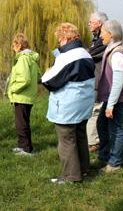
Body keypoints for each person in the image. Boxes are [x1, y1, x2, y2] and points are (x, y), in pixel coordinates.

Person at [41, 23, 95, 184]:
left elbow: (49, 81)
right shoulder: (85, 54)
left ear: (65, 38)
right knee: (80, 137)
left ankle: (71, 176)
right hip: (84, 103)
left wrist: (48, 71)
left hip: (68, 106)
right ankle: (84, 170)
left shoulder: (67, 57)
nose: (59, 43)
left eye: (59, 39)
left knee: (66, 140)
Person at [97, 20, 123, 173]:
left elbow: (117, 83)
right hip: (112, 98)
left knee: (115, 129)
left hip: (117, 98)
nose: (100, 36)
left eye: (102, 32)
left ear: (110, 34)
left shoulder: (118, 54)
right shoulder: (112, 49)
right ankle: (105, 156)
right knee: (101, 124)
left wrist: (110, 105)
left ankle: (114, 163)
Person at [6, 33, 39, 156]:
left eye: (14, 44)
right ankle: (22, 146)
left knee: (21, 124)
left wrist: (13, 89)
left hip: (22, 96)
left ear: (19, 45)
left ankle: (26, 149)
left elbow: (25, 79)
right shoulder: (30, 57)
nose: (12, 47)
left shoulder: (23, 58)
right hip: (26, 96)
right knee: (22, 122)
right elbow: (38, 75)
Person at [87, 12, 108, 153]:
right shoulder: (98, 37)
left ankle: (93, 142)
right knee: (95, 110)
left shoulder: (103, 38)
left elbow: (91, 54)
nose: (89, 24)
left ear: (99, 23)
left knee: (96, 110)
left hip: (100, 80)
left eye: (91, 22)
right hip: (97, 78)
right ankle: (95, 139)